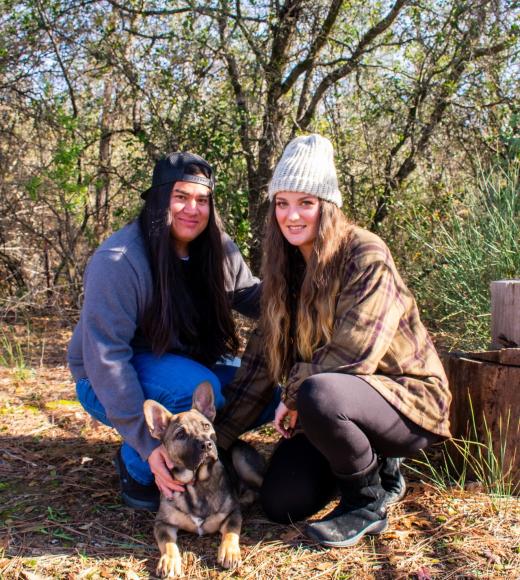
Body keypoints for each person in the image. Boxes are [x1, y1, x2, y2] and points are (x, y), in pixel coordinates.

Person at [215, 134, 451, 547]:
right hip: (329, 404)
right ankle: (369, 462)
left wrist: (292, 397)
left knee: (319, 393)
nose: (292, 216)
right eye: (282, 203)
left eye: (305, 202)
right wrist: (211, 441)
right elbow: (256, 365)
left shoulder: (366, 254)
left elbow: (353, 356)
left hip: (406, 402)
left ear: (327, 206)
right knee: (281, 503)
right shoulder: (283, 268)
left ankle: (367, 499)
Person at [68, 151, 263, 511]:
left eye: (202, 200)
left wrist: (312, 294)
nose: (193, 209)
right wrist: (146, 442)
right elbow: (106, 357)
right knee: (195, 389)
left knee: (265, 388)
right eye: (181, 197)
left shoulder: (216, 248)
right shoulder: (120, 260)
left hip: (180, 364)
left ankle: (204, 451)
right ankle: (138, 468)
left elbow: (250, 294)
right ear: (160, 201)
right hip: (103, 378)